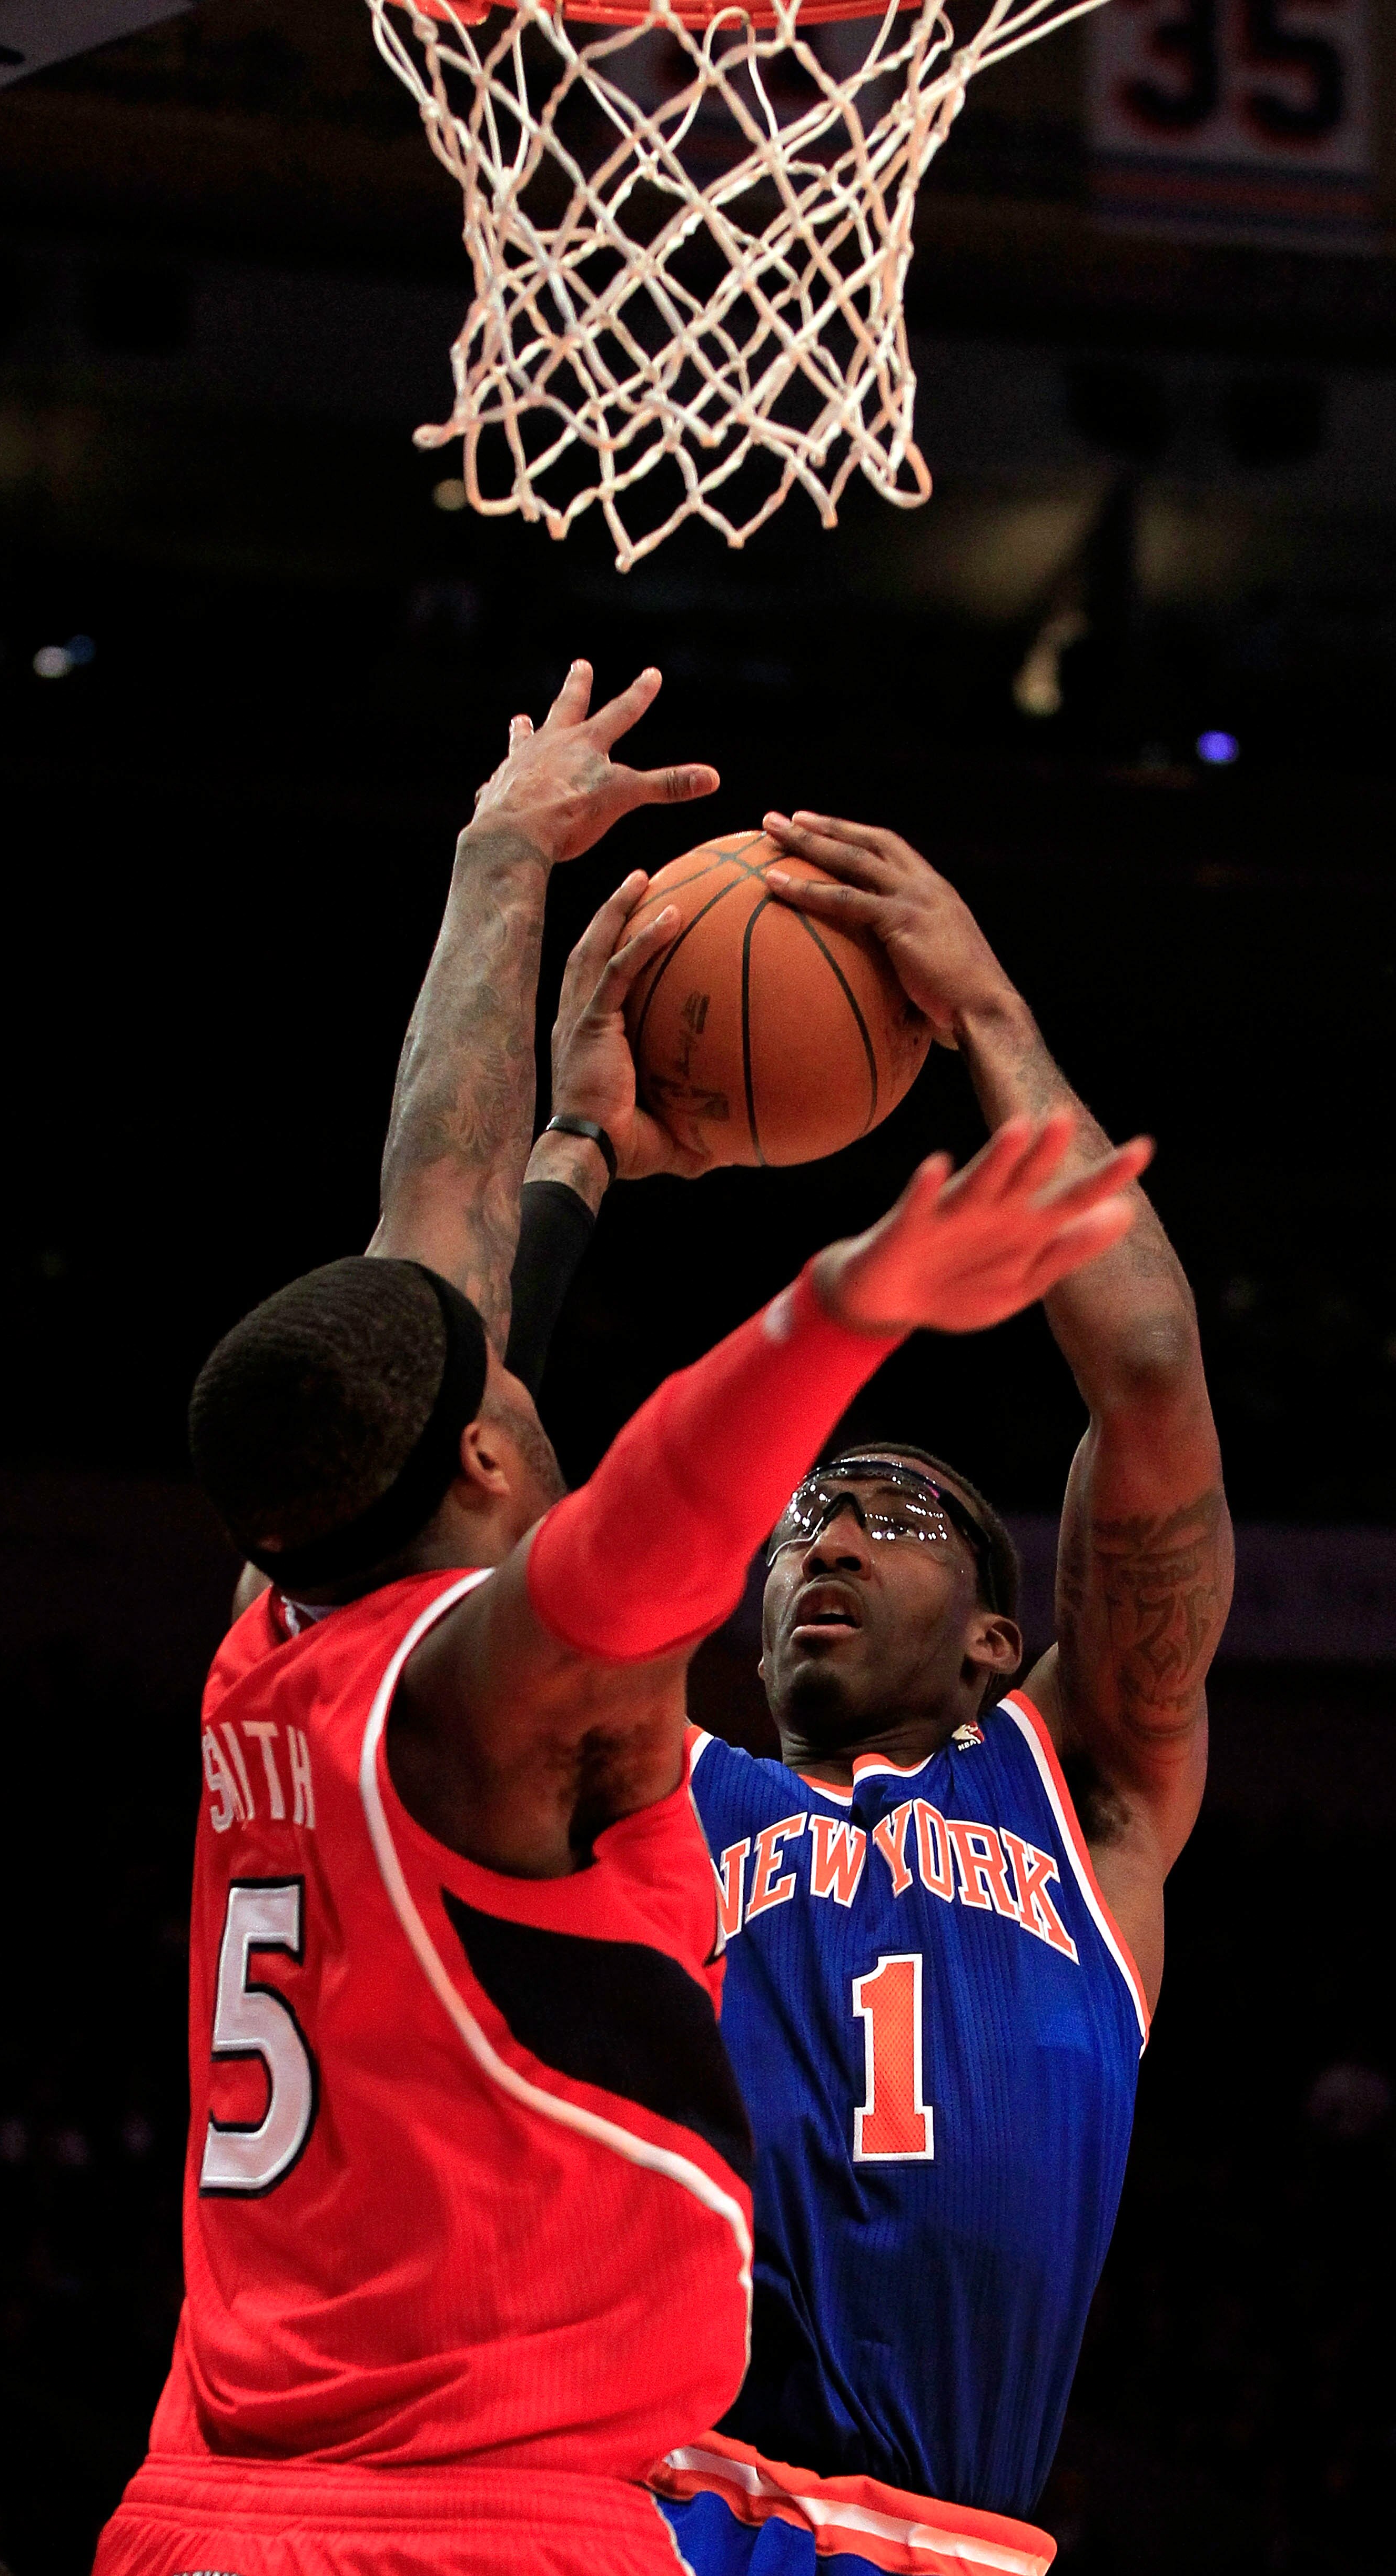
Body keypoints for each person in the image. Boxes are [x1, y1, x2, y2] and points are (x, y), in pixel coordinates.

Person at [91, 678, 1150, 2576]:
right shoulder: (517, 1693)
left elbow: (430, 1236)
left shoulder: (277, 1635)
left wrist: (513, 898)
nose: (519, 1367)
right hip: (488, 2517)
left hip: (208, 2495)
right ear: (489, 1456)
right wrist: (846, 1304)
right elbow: (648, 1519)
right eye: (505, 1390)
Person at [468, 810, 1232, 2574]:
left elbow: (1149, 1370)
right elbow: (457, 1451)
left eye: (887, 1515)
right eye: (804, 1516)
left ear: (994, 1642)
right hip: (654, 2506)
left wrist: (985, 1014)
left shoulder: (1083, 1793)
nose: (823, 1535)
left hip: (948, 2543)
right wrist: (579, 1145)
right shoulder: (657, 1781)